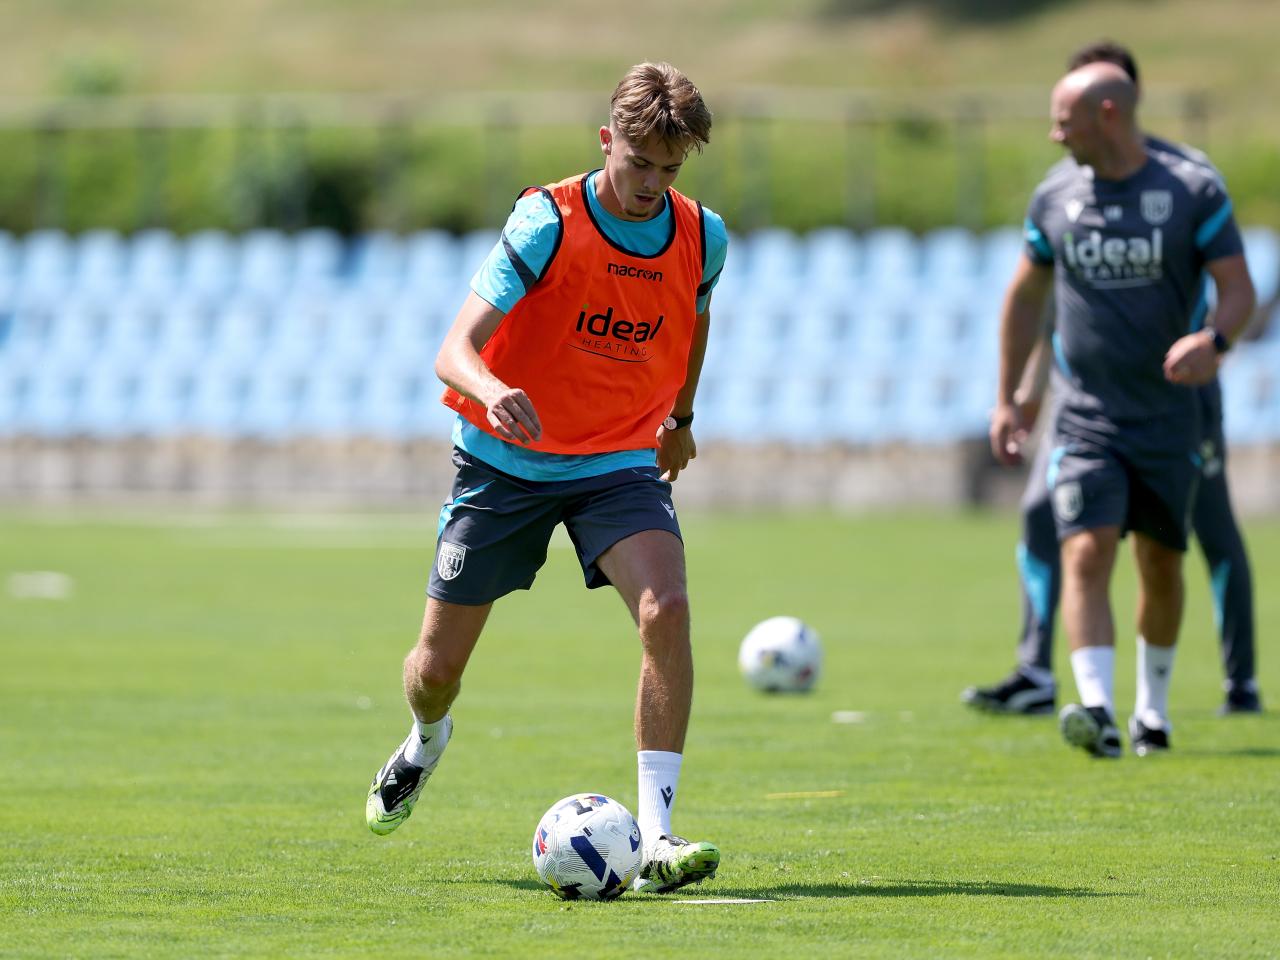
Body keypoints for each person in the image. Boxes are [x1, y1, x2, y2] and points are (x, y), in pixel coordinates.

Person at [364, 62, 728, 893]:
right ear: (608, 141)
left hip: (617, 462)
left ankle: (659, 838)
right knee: (434, 672)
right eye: (639, 163)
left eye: (670, 171)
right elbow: (452, 351)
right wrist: (495, 390)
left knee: (666, 608)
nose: (652, 185)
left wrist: (681, 419)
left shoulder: (704, 235)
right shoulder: (547, 222)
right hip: (504, 463)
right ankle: (425, 740)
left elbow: (695, 317)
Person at [965, 41, 1263, 720]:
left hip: (1178, 409)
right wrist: (1014, 396)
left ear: (1110, 108)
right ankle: (1082, 700)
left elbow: (1237, 289)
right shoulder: (1055, 196)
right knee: (1079, 541)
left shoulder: (1188, 185)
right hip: (1087, 414)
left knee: (1186, 547)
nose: (1054, 131)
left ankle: (1215, 689)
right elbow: (1031, 303)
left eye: (1064, 115)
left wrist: (1213, 341)